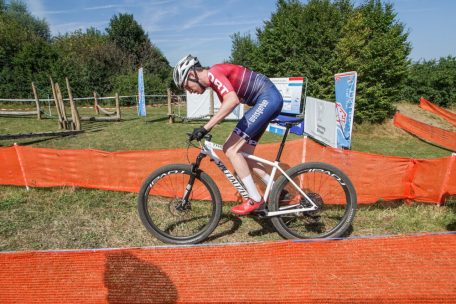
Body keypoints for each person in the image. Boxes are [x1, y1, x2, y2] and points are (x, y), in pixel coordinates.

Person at [173, 55, 283, 215]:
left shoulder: (214, 72)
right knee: (245, 155)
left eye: (187, 87)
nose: (190, 91)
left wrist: (205, 128)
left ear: (191, 75)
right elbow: (226, 108)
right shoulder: (215, 82)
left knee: (231, 149)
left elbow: (232, 101)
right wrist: (208, 128)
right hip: (267, 100)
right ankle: (279, 191)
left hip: (267, 99)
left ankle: (255, 199)